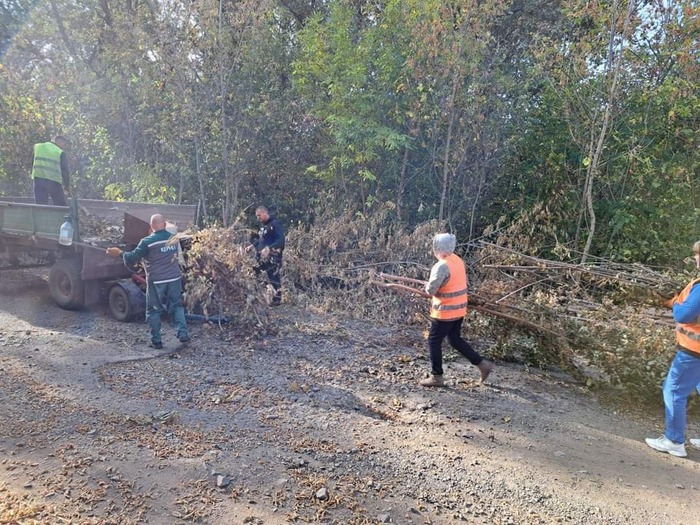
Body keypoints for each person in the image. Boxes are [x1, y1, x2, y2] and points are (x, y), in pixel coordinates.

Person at [645, 241, 700, 457]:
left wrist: (675, 304)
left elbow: (684, 315)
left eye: (697, 255)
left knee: (674, 390)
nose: (695, 258)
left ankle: (674, 441)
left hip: (693, 350)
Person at [106, 214, 189, 349]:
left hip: (157, 281)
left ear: (151, 226)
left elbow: (132, 258)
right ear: (165, 224)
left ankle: (156, 340)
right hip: (174, 278)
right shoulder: (174, 238)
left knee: (153, 310)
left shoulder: (147, 242)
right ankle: (183, 333)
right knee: (177, 306)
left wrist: (119, 253)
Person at [420, 233, 493, 387]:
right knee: (454, 339)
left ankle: (437, 377)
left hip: (445, 312)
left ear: (437, 249)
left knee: (434, 341)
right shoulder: (457, 260)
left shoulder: (441, 266)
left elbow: (431, 290)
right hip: (458, 310)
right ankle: (482, 365)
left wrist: (426, 287)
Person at [245, 205, 285, 306]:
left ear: (264, 213)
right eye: (257, 216)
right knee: (255, 273)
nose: (258, 218)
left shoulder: (275, 224)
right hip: (260, 256)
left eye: (259, 215)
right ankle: (260, 296)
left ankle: (277, 300)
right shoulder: (263, 226)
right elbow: (261, 239)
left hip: (272, 257)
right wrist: (252, 246)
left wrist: (269, 248)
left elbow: (281, 240)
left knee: (273, 276)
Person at [31, 135, 71, 206]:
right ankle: (60, 217)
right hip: (53, 181)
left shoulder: (38, 147)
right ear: (58, 141)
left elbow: (33, 161)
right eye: (64, 144)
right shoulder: (59, 152)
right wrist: (67, 186)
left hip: (38, 180)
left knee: (41, 205)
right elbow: (65, 171)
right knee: (60, 205)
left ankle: (42, 217)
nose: (64, 146)